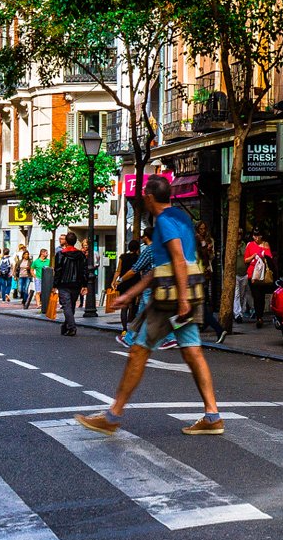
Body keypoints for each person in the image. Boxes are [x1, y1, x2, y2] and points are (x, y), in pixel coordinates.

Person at [76, 174, 225, 437]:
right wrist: (132, 293)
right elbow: (163, 267)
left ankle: (113, 415)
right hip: (188, 292)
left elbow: (177, 259)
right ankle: (212, 415)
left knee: (138, 351)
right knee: (193, 352)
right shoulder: (180, 217)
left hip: (170, 299)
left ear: (149, 197)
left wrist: (179, 300)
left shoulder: (165, 222)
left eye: (144, 194)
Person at [194, 223, 227, 344]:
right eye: (200, 229)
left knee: (198, 307)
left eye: (204, 229)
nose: (202, 231)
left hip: (197, 278)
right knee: (200, 306)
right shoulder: (199, 245)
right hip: (199, 277)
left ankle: (217, 328)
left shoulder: (200, 246)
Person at [53, 232, 89, 335]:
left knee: (67, 306)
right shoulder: (81, 255)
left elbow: (58, 270)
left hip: (64, 284)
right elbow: (84, 270)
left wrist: (55, 285)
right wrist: (84, 284)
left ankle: (72, 327)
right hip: (76, 283)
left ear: (66, 241)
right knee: (71, 306)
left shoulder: (61, 254)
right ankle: (66, 326)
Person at [244, 234, 274, 329]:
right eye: (255, 236)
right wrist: (253, 256)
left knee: (261, 296)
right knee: (256, 296)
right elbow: (246, 260)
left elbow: (270, 258)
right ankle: (259, 317)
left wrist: (264, 251)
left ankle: (260, 315)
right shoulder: (250, 245)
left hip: (263, 274)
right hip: (252, 274)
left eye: (258, 236)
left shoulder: (265, 244)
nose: (256, 238)